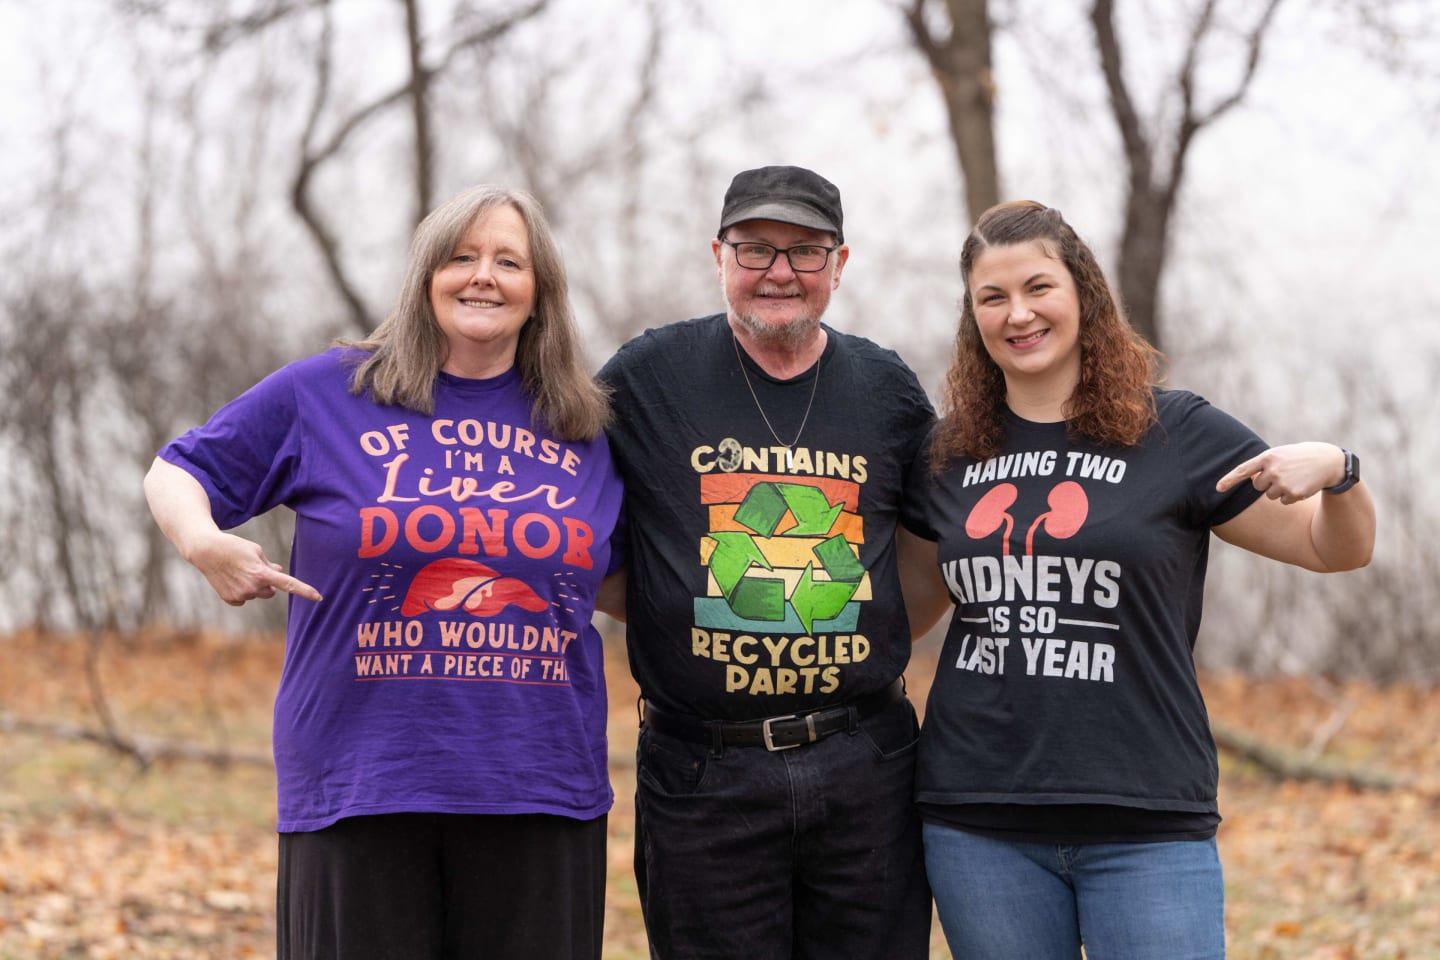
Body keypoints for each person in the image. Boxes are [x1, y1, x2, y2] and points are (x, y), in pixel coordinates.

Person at [143, 184, 625, 960]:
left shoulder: (585, 427)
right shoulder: (330, 392)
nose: (483, 277)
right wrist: (205, 545)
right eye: (461, 257)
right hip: (358, 779)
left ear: (540, 292)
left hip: (541, 783)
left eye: (509, 261)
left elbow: (622, 580)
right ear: (425, 275)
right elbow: (176, 471)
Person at [901, 200, 1376, 959]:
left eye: (1037, 287)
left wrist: (1343, 474)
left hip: (1147, 818)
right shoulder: (947, 452)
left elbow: (1333, 550)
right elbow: (907, 611)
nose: (1018, 314)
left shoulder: (1177, 433)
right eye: (992, 298)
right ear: (973, 317)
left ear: (1082, 294)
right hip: (977, 818)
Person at [597, 165, 936, 960]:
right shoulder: (648, 377)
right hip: (702, 774)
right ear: (718, 254)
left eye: (806, 251)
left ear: (839, 265)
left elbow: (936, 545)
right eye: (755, 248)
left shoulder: (886, 389)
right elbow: (555, 497)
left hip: (867, 767)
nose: (779, 271)